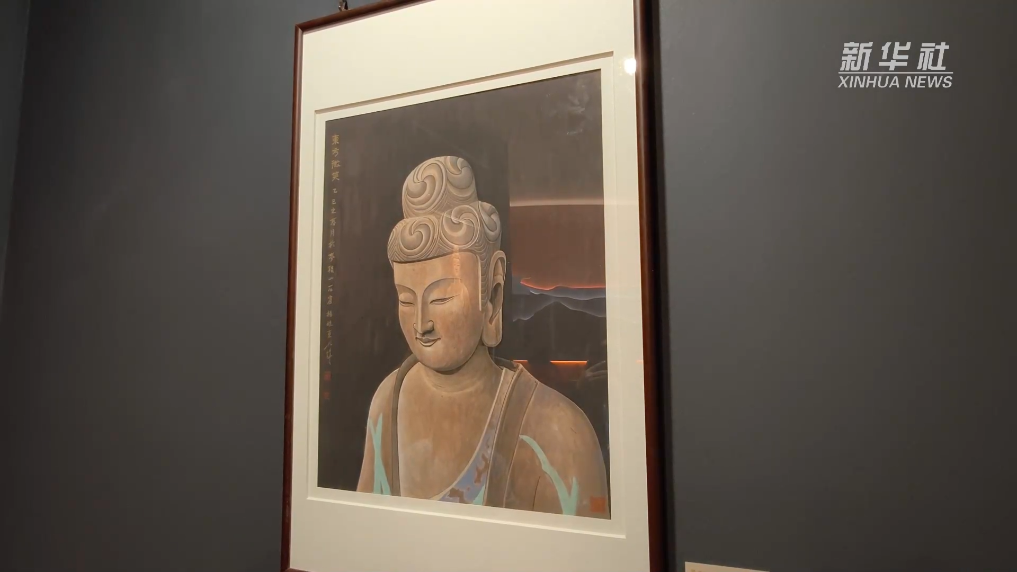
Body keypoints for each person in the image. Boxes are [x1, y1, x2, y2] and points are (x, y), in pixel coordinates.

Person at [356, 156, 609, 518]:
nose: (421, 324)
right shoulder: (389, 399)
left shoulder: (559, 433)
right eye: (406, 300)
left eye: (442, 298)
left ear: (493, 292)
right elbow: (364, 529)